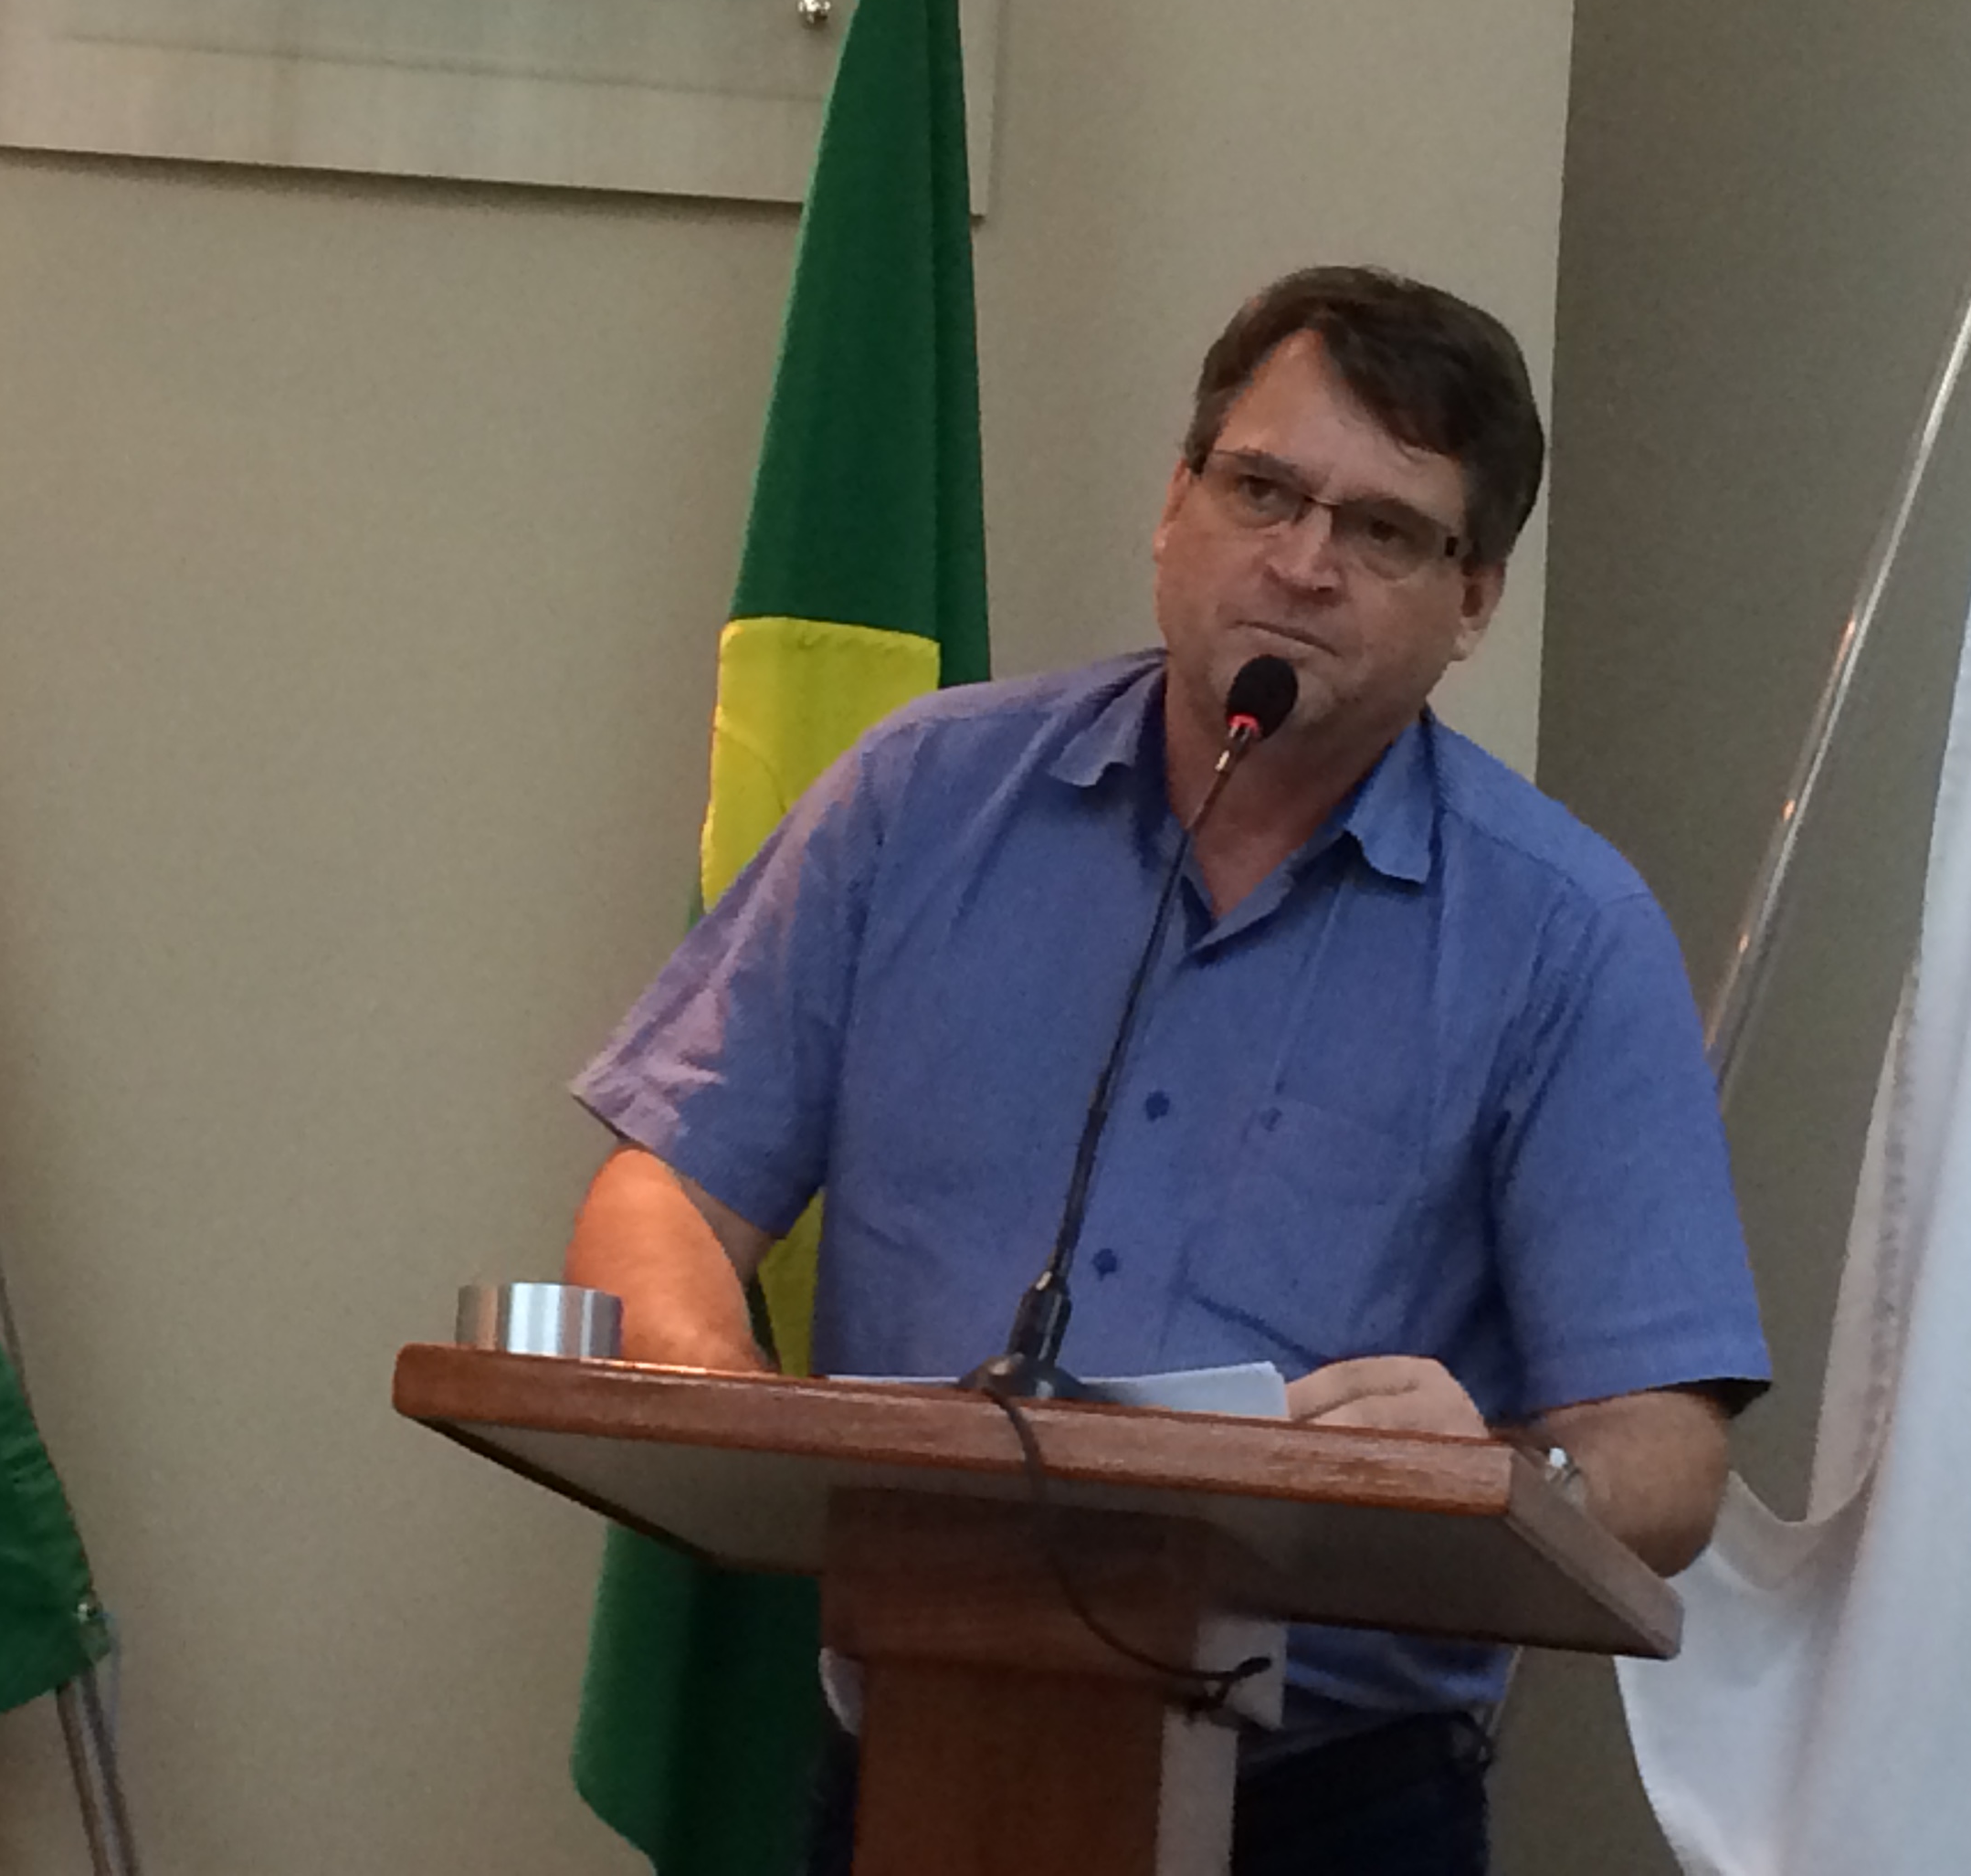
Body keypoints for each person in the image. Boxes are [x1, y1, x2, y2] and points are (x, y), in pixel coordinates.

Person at [565, 267, 1770, 1876]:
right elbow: (661, 1192)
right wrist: (726, 1409)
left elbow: (1668, 1459)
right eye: (1261, 489)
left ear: (1472, 597)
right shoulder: (922, 800)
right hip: (917, 1749)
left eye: (1381, 529)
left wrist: (1510, 1473)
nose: (1301, 563)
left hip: (1326, 1812)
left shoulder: (1562, 932)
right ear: (1173, 501)